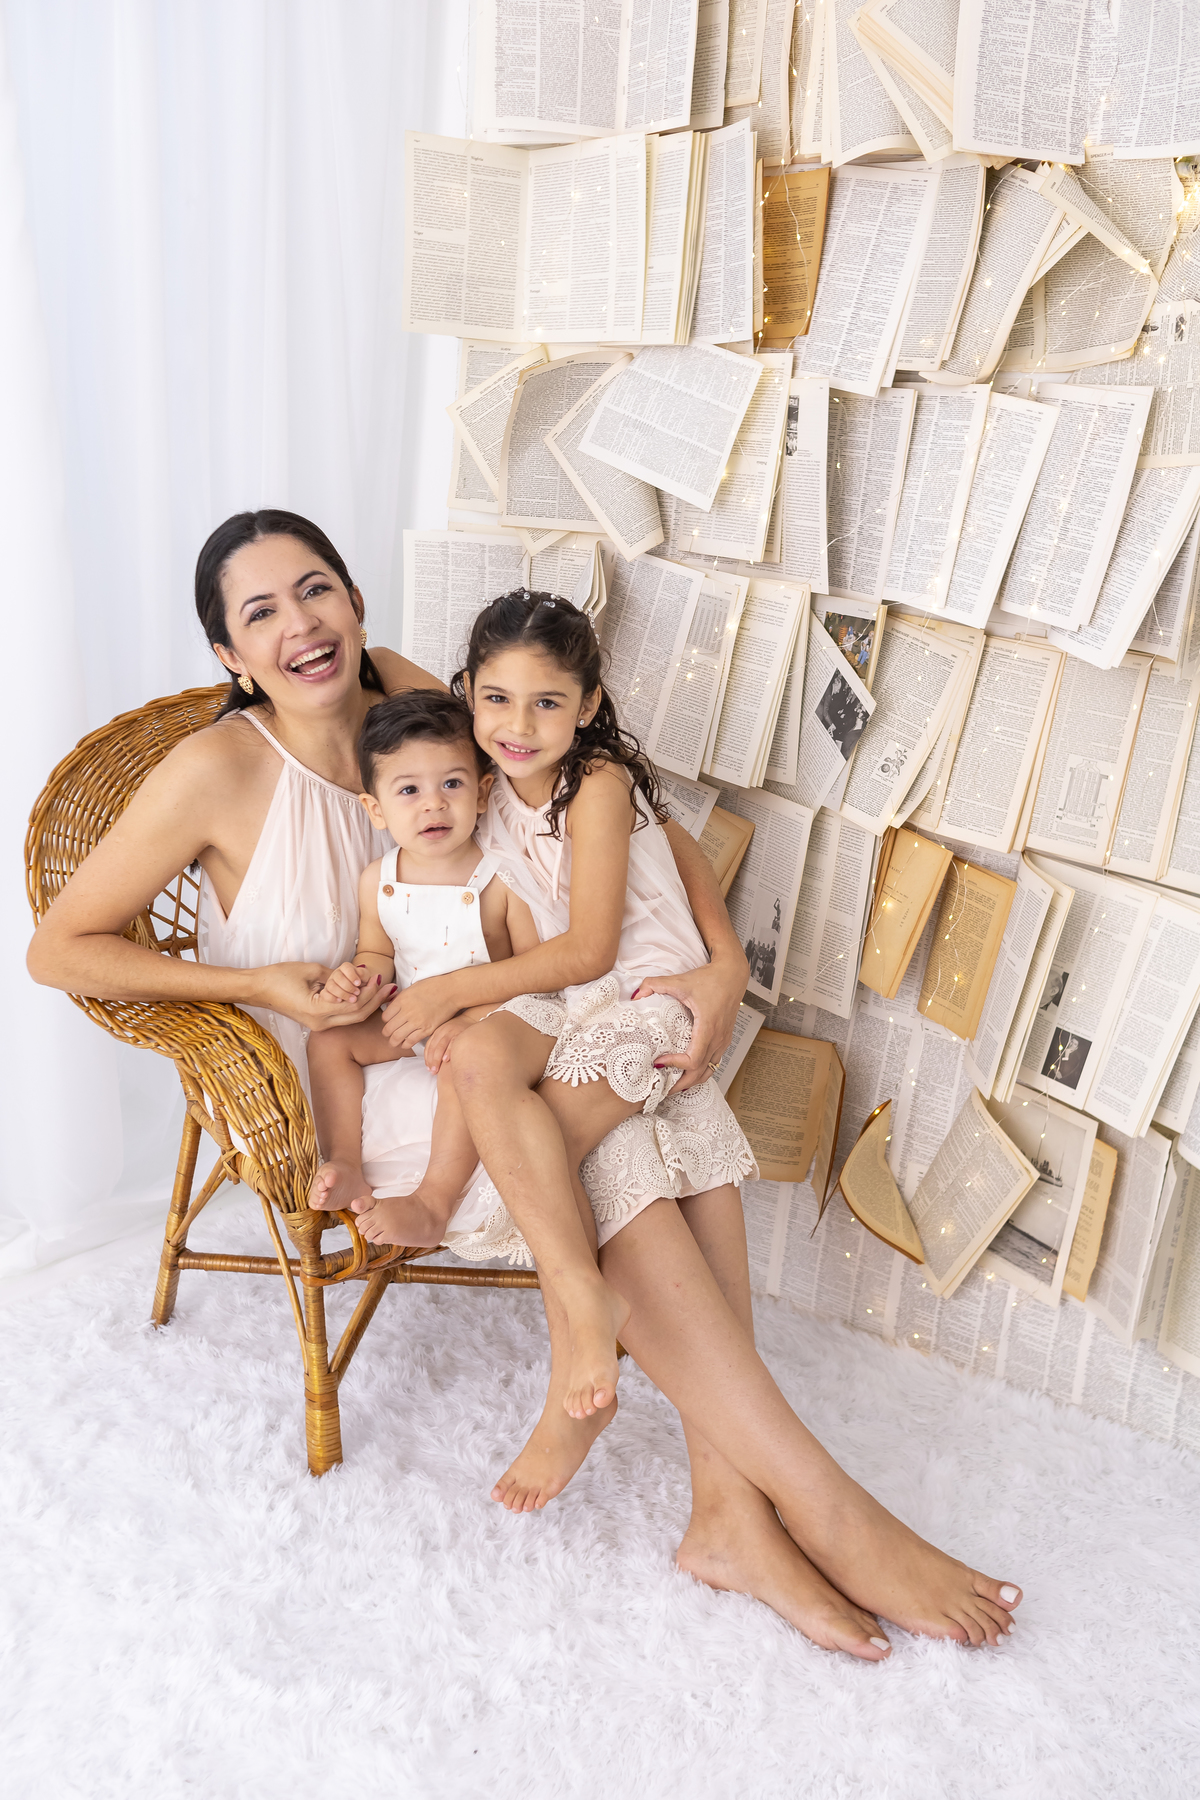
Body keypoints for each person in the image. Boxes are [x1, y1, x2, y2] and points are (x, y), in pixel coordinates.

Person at [27, 509, 1023, 1660]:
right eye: (261, 613)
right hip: (357, 1067)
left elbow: (618, 804)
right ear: (228, 656)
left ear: (354, 602)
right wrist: (264, 982)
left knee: (649, 1107)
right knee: (608, 1136)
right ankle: (818, 1509)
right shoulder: (215, 768)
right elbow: (58, 950)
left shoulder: (411, 692)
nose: (300, 625)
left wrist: (721, 961)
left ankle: (733, 1511)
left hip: (491, 1014)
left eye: (317, 592)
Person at [352, 590, 758, 1425]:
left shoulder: (596, 783)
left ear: (590, 706)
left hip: (648, 996)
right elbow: (382, 667)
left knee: (540, 1160)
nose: (519, 724)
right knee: (479, 1061)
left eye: (548, 703)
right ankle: (578, 1307)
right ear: (466, 693)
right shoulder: (486, 778)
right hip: (570, 1002)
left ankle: (578, 1343)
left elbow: (592, 949)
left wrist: (726, 962)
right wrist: (460, 1015)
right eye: (496, 700)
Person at [305, 688, 541, 1251]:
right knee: (326, 1042)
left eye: (451, 784)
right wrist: (358, 979)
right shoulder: (378, 879)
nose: (433, 805)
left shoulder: (500, 879)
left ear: (483, 793)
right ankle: (345, 1156)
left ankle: (434, 1199)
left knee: (470, 1060)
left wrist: (473, 1021)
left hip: (485, 1023)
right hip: (409, 1018)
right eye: (409, 790)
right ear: (376, 809)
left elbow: (535, 976)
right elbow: (378, 953)